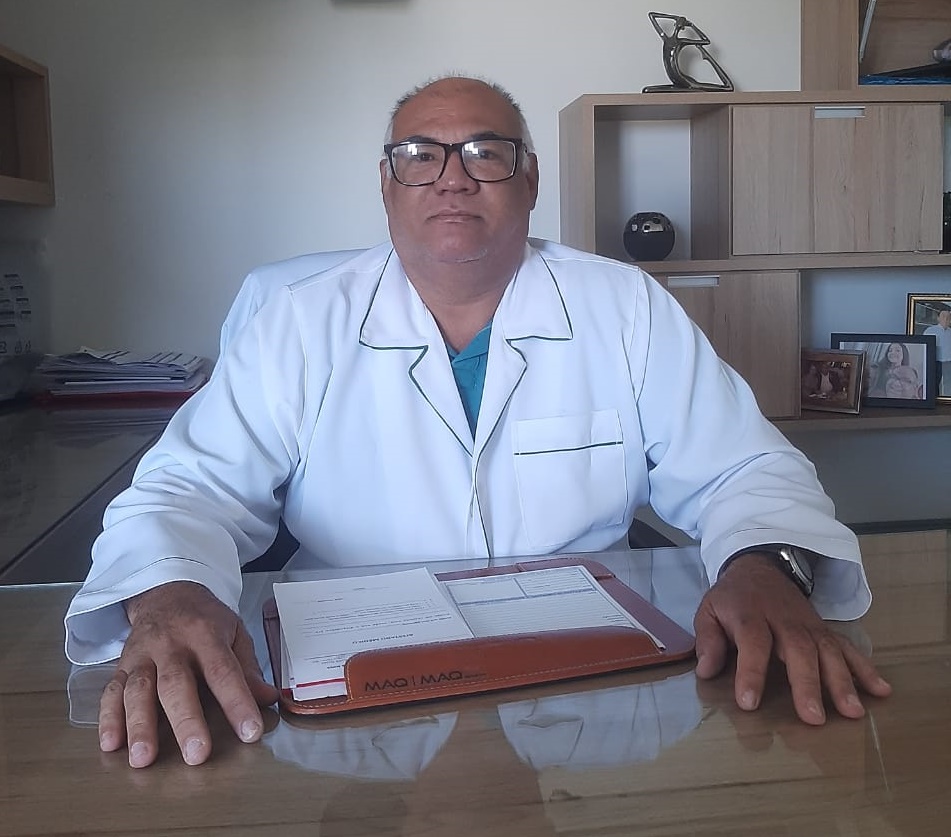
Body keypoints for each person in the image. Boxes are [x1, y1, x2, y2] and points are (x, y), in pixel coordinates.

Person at [64, 75, 890, 769]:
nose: (451, 178)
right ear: (386, 185)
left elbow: (742, 466)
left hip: (590, 667)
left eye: (484, 153)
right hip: (350, 675)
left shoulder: (622, 306)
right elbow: (188, 489)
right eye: (419, 155)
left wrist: (764, 563)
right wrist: (169, 593)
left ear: (529, 182)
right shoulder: (299, 321)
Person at [923, 308, 951, 397]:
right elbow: (925, 347)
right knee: (934, 384)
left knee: (948, 385)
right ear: (938, 318)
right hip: (936, 362)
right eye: (943, 316)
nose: (946, 319)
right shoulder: (930, 331)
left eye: (948, 317)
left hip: (949, 363)